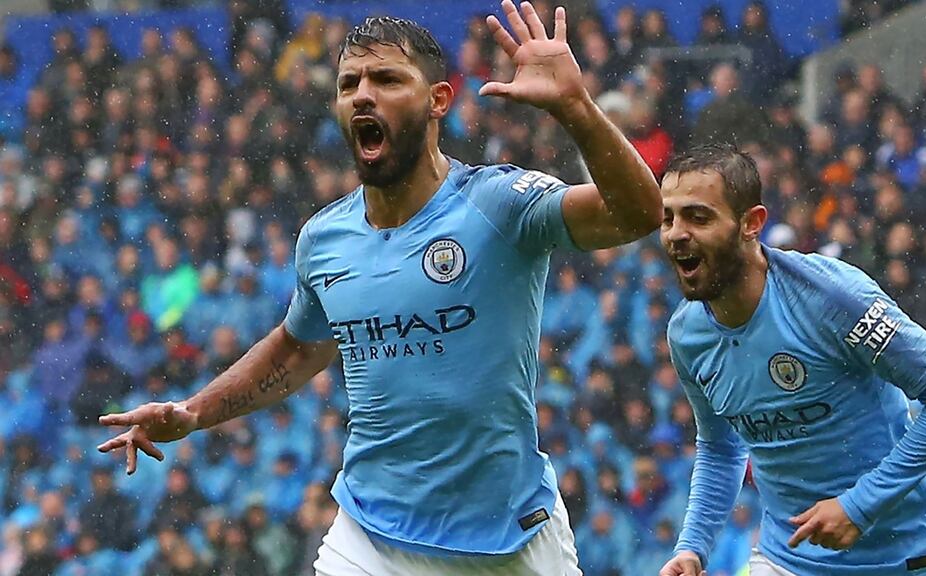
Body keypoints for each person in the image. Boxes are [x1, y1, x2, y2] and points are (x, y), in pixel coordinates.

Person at [98, 2, 661, 575]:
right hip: (371, 538)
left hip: (507, 540)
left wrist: (577, 109)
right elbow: (299, 347)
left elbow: (637, 215)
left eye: (387, 79)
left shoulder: (498, 202)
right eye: (349, 83)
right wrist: (193, 412)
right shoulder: (324, 238)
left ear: (438, 100)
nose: (363, 94)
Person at [656, 144, 926, 576]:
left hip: (901, 557)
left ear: (751, 224)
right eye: (668, 217)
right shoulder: (687, 334)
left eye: (698, 217)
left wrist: (859, 507)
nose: (677, 233)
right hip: (787, 559)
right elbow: (720, 447)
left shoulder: (831, 297)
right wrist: (692, 546)